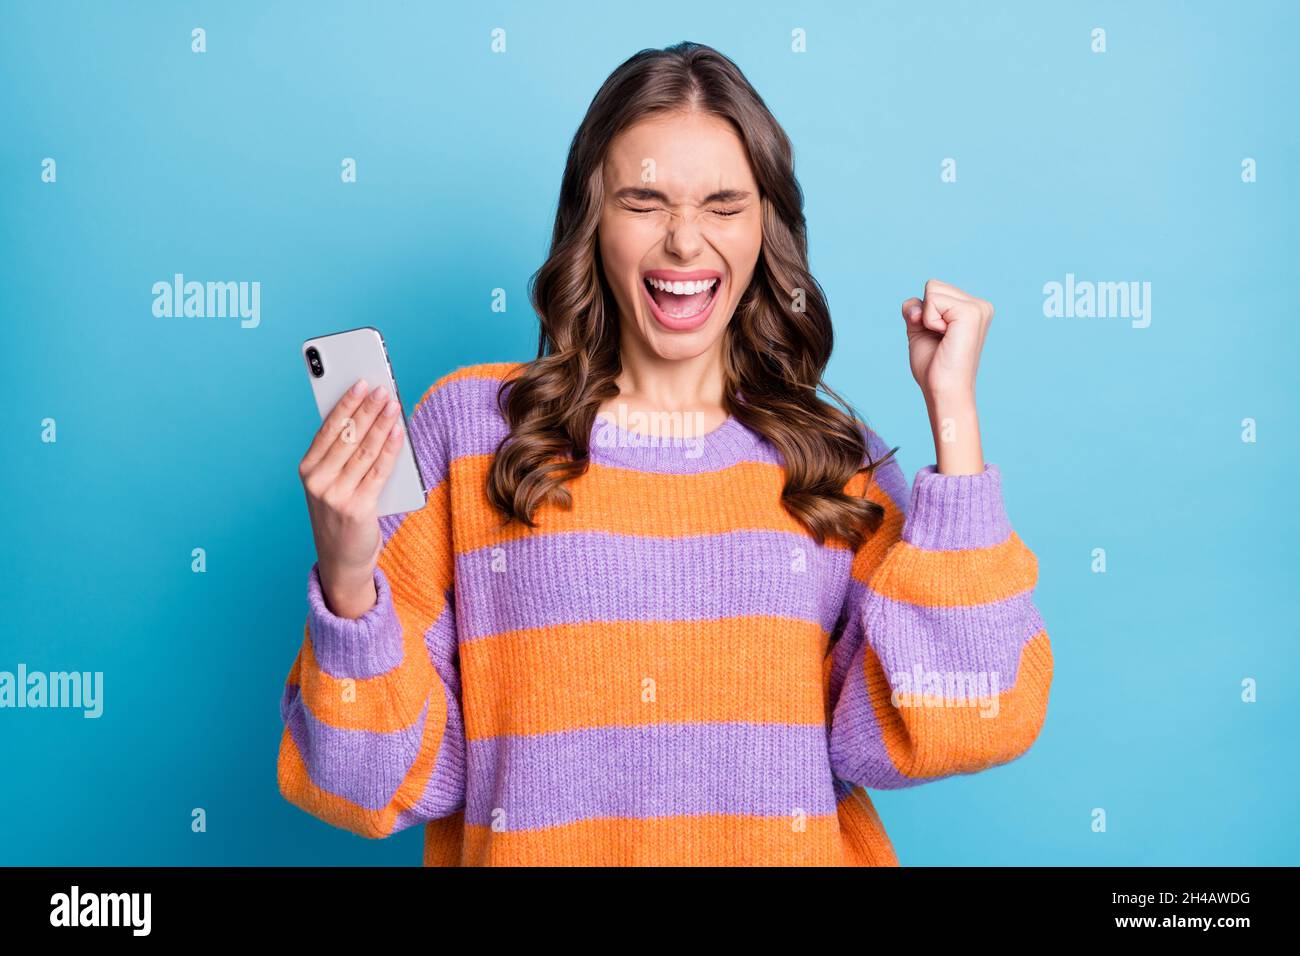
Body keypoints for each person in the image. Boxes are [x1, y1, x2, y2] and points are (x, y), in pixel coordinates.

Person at [277, 41, 1053, 866]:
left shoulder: (830, 459)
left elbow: (971, 718)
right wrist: (349, 581)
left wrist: (954, 421)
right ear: (592, 218)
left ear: (766, 227)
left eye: (724, 204)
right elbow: (363, 782)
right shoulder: (473, 432)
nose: (686, 242)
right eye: (644, 200)